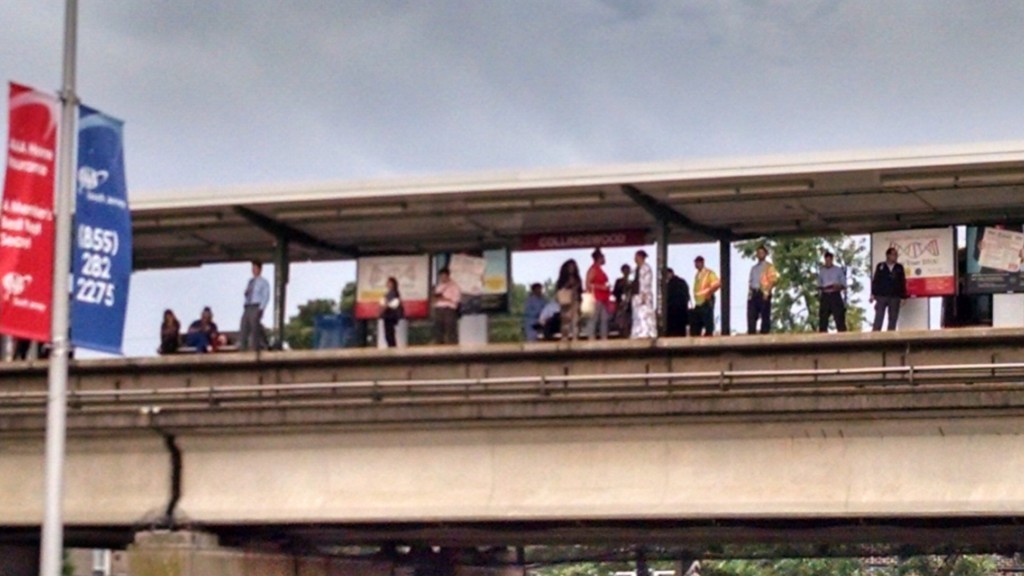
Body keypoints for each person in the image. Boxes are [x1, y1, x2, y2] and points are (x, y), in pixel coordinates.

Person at [871, 246, 908, 331]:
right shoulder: (881, 266)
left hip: (895, 296)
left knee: (893, 318)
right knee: (879, 317)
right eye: (893, 254)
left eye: (896, 255)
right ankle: (875, 336)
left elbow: (902, 281)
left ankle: (890, 337)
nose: (895, 256)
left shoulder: (899, 267)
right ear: (888, 255)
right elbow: (876, 280)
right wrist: (873, 294)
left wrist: (903, 296)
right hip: (881, 295)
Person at [747, 245, 779, 334]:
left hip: (763, 292)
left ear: (765, 254)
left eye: (762, 253)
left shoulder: (769, 267)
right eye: (758, 253)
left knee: (765, 315)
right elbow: (750, 282)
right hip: (754, 292)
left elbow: (773, 280)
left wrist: (767, 291)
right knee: (751, 315)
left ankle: (764, 333)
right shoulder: (753, 268)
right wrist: (749, 294)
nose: (760, 254)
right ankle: (751, 333)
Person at [239, 260, 270, 351]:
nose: (254, 270)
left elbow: (265, 296)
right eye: (253, 268)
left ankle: (255, 349)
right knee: (244, 325)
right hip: (248, 306)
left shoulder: (263, 282)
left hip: (256, 306)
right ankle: (243, 348)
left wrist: (261, 308)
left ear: (260, 269)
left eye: (256, 268)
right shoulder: (250, 281)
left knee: (254, 327)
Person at [583, 248, 612, 340]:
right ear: (599, 258)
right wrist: (601, 287)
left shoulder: (599, 269)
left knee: (604, 319)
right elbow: (588, 284)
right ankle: (591, 338)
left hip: (603, 298)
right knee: (593, 319)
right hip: (596, 298)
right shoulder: (593, 269)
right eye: (603, 257)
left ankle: (604, 338)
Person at [817, 251, 847, 332]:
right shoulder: (822, 271)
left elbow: (844, 285)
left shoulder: (838, 270)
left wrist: (838, 286)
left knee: (839, 318)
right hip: (825, 295)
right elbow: (819, 285)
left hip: (835, 294)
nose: (828, 262)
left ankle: (843, 338)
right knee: (823, 319)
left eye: (829, 260)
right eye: (826, 260)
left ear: (832, 260)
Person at [692, 256, 721, 336]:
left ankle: (708, 336)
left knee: (708, 322)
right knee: (697, 323)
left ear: (702, 263)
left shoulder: (709, 273)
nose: (696, 265)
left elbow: (717, 284)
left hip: (706, 300)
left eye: (698, 263)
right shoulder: (697, 274)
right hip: (698, 302)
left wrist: (709, 293)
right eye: (695, 263)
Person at [630, 250, 656, 338]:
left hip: (644, 294)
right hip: (636, 295)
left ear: (640, 257)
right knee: (637, 315)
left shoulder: (646, 268)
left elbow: (646, 282)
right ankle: (637, 332)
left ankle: (647, 332)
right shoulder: (635, 269)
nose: (635, 259)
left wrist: (644, 294)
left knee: (645, 314)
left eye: (636, 257)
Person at [555, 259, 583, 341]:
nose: (572, 269)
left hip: (576, 301)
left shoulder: (577, 278)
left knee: (575, 321)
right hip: (565, 302)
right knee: (565, 321)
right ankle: (564, 337)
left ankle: (575, 338)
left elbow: (580, 290)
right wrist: (567, 285)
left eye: (573, 267)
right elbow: (559, 290)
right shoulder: (562, 279)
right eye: (570, 267)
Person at [433, 267, 461, 344]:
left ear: (448, 276)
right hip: (439, 309)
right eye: (441, 277)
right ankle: (439, 347)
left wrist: (444, 298)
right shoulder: (439, 286)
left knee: (450, 330)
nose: (442, 278)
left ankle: (453, 349)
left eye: (444, 276)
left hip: (449, 309)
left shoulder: (454, 286)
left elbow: (456, 300)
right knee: (438, 330)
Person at [664, 268, 690, 337]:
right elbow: (687, 296)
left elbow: (667, 299)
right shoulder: (682, 282)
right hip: (682, 312)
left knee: (672, 332)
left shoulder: (669, 285)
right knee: (681, 332)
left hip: (672, 312)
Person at [380, 276, 403, 348]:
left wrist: (381, 312)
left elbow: (387, 304)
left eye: (389, 282)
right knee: (390, 335)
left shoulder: (392, 293)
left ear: (392, 284)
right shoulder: (395, 293)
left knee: (389, 335)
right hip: (391, 316)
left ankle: (392, 351)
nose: (387, 284)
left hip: (389, 316)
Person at [612, 264, 633, 337]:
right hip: (621, 305)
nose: (626, 272)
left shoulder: (631, 282)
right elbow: (615, 292)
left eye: (627, 270)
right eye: (625, 270)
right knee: (620, 322)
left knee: (628, 321)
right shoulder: (618, 281)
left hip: (629, 305)